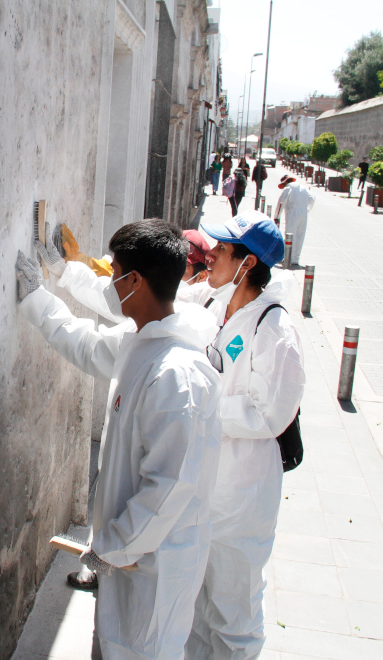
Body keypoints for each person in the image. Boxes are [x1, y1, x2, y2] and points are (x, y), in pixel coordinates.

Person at [19, 220, 223, 659]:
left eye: (113, 273)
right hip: (132, 558)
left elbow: (168, 488)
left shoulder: (176, 378)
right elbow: (87, 344)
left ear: (135, 281)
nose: (107, 282)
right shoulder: (142, 343)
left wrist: (112, 548)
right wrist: (36, 298)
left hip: (154, 567)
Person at [185, 213, 306, 660]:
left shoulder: (274, 331)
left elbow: (269, 414)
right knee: (196, 611)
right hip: (207, 486)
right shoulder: (215, 304)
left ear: (247, 263)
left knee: (233, 616)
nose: (210, 254)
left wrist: (201, 403)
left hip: (242, 497)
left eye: (222, 249)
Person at [274, 175, 315, 266]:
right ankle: (295, 259)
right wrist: (308, 208)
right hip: (304, 213)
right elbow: (312, 198)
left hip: (292, 213)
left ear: (285, 182)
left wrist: (277, 216)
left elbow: (281, 203)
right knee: (300, 236)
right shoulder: (303, 187)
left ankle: (288, 258)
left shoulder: (288, 188)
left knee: (289, 235)